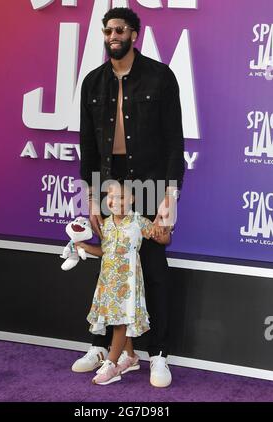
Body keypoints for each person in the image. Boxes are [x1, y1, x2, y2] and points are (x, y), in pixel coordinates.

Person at [73, 7, 185, 388]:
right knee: (112, 270)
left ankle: (157, 355)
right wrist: (90, 196)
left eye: (119, 30)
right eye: (107, 31)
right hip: (108, 186)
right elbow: (87, 145)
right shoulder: (93, 83)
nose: (112, 36)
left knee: (152, 269)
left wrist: (170, 195)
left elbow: (174, 142)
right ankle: (107, 347)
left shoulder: (160, 76)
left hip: (151, 183)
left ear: (134, 34)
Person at [74, 180, 171, 385]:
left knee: (120, 323)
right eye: (111, 196)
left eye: (121, 197)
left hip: (127, 284)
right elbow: (104, 252)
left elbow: (162, 238)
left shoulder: (138, 222)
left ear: (132, 200)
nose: (115, 201)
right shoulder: (106, 224)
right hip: (108, 282)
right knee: (116, 320)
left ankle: (111, 364)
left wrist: (164, 230)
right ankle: (131, 356)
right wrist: (82, 246)